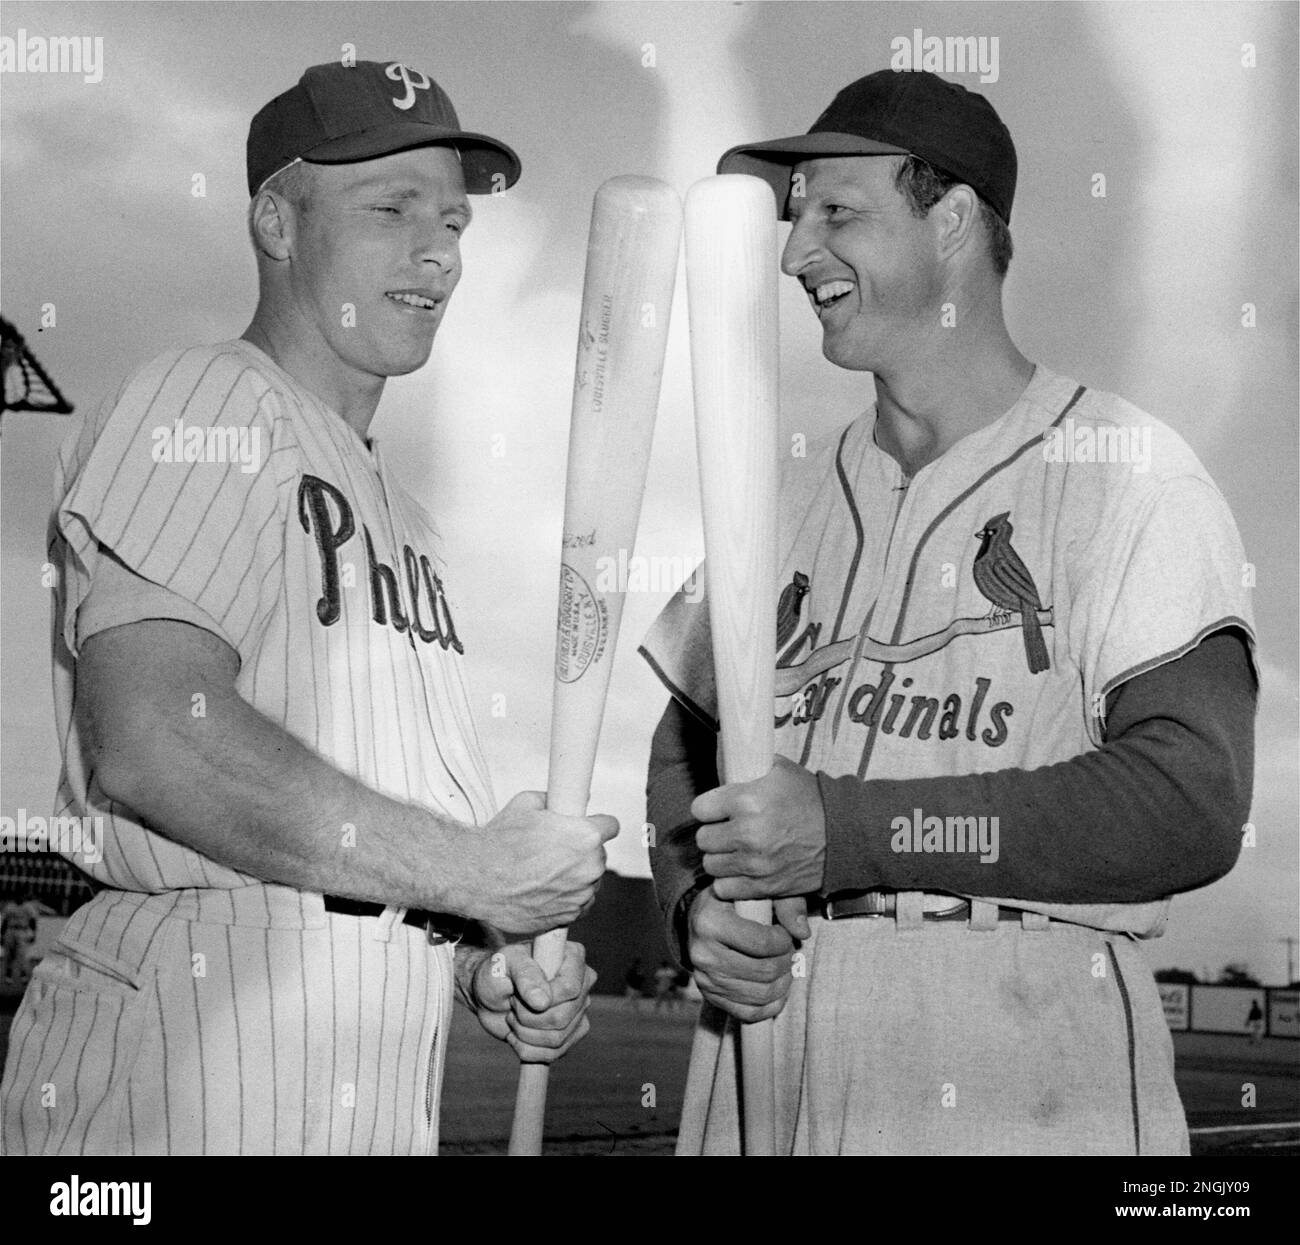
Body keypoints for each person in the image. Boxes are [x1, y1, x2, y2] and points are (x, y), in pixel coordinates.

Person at [0, 59, 617, 1157]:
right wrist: (477, 872)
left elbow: (367, 840)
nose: (439, 253)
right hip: (188, 1050)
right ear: (277, 222)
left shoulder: (404, 515)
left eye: (454, 222)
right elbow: (155, 739)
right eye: (390, 210)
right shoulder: (208, 399)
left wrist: (479, 963)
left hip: (357, 1063)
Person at [642, 69, 1257, 1156]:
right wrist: (697, 907)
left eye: (837, 212)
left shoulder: (1126, 472)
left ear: (955, 219)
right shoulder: (775, 499)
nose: (794, 254)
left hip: (1012, 1042)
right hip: (763, 1041)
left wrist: (849, 832)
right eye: (795, 218)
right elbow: (682, 759)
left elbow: (1189, 798)